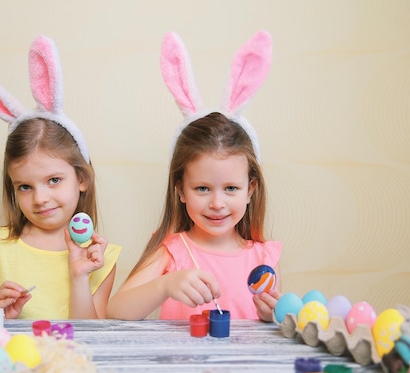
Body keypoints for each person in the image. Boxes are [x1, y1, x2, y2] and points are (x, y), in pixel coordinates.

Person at [107, 31, 280, 321]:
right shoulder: (173, 250)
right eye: (202, 188)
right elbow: (116, 311)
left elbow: (269, 329)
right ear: (181, 190)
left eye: (231, 189)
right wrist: (164, 285)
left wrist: (271, 317)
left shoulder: (262, 259)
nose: (216, 203)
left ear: (250, 190)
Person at [0, 35, 121, 319]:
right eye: (25, 186)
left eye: (54, 180)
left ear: (81, 179)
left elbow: (91, 340)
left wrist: (79, 277)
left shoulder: (99, 258)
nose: (40, 198)